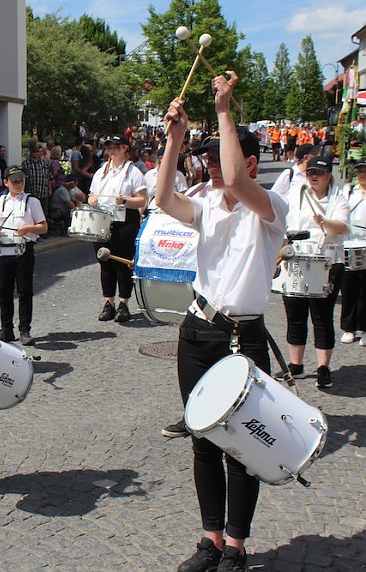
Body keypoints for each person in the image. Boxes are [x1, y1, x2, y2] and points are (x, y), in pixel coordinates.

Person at [156, 72, 289, 572]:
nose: (210, 169)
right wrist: (173, 143)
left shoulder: (270, 207)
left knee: (242, 446)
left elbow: (235, 180)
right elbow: (165, 199)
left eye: (216, 159)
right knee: (203, 439)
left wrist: (224, 109)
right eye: (206, 160)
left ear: (250, 161)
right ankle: (211, 539)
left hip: (243, 337)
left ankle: (236, 545)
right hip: (199, 331)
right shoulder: (207, 203)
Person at [277, 156, 349, 388]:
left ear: (328, 175)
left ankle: (323, 367)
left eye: (319, 173)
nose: (314, 177)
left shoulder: (338, 196)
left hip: (328, 261)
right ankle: (295, 365)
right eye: (310, 173)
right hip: (297, 259)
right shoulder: (297, 193)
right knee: (294, 315)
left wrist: (325, 222)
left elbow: (343, 227)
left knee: (322, 316)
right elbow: (282, 221)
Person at [0, 165, 48, 346]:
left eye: (21, 180)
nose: (19, 184)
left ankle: (24, 329)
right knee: (4, 290)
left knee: (24, 290)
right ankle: (6, 329)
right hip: (4, 249)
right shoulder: (0, 202)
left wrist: (28, 228)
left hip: (24, 249)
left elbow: (43, 227)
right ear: (6, 183)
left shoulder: (32, 202)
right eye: (15, 181)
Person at [88, 135, 148, 322]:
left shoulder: (134, 172)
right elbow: (91, 195)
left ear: (124, 148)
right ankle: (109, 303)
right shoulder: (101, 172)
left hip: (124, 221)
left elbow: (142, 200)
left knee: (122, 263)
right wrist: (92, 200)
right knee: (105, 262)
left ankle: (124, 304)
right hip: (103, 220)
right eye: (109, 147)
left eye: (115, 147)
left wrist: (125, 201)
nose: (111, 150)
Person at [341, 159, 366, 345]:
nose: (362, 175)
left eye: (365, 171)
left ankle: (365, 329)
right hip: (350, 242)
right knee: (349, 287)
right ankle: (349, 328)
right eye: (360, 171)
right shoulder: (349, 191)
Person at [21, 142, 53, 215]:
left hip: (43, 194)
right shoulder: (25, 164)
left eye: (37, 151)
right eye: (33, 151)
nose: (35, 153)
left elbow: (49, 177)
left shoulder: (44, 163)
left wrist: (50, 189)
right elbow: (22, 178)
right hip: (31, 193)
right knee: (31, 213)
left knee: (43, 214)